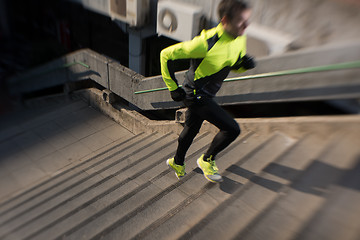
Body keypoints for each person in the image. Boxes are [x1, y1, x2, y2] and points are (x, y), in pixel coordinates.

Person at [160, 0, 256, 183]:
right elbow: (165, 55)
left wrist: (242, 66)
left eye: (247, 20)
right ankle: (206, 160)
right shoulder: (205, 43)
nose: (246, 25)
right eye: (241, 21)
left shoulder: (240, 37)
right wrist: (173, 87)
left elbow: (229, 62)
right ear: (225, 20)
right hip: (195, 94)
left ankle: (177, 162)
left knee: (191, 128)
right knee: (231, 129)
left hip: (209, 93)